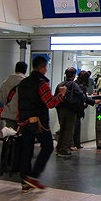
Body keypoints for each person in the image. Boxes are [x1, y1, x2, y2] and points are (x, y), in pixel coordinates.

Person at [18, 56, 66, 192]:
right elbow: (50, 103)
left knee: (26, 150)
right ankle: (33, 176)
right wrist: (61, 94)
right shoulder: (42, 83)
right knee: (48, 146)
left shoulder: (24, 83)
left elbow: (19, 103)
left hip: (24, 120)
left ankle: (24, 181)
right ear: (43, 68)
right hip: (39, 122)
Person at [55, 67, 82, 158]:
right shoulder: (74, 85)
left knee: (62, 128)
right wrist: (91, 102)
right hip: (71, 110)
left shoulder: (60, 85)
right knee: (69, 130)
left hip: (61, 109)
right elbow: (81, 95)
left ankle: (59, 147)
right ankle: (64, 150)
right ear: (74, 75)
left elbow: (55, 98)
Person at [0, 61, 27, 130]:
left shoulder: (6, 81)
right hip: (21, 115)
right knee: (20, 136)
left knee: (10, 135)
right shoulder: (26, 82)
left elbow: (1, 98)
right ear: (25, 70)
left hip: (8, 114)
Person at [73, 70, 97, 150]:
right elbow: (83, 97)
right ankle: (74, 144)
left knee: (74, 126)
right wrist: (93, 102)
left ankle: (75, 143)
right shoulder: (81, 86)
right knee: (75, 126)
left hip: (72, 108)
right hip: (77, 109)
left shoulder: (74, 83)